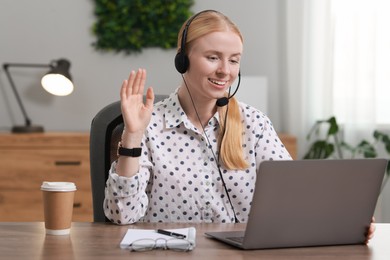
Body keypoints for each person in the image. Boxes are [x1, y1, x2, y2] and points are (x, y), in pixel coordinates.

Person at [103, 10, 375, 242]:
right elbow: (121, 216)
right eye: (213, 57)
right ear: (182, 59)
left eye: (234, 60)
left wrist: (343, 219)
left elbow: (294, 197)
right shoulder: (151, 125)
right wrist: (133, 135)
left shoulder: (253, 124)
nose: (225, 71)